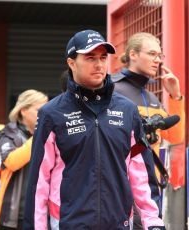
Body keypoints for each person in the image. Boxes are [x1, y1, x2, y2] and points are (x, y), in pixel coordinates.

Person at [23, 29, 165, 230]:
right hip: (68, 224)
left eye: (103, 57)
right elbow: (39, 180)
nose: (99, 64)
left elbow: (140, 170)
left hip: (118, 223)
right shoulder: (51, 113)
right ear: (71, 63)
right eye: (90, 58)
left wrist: (153, 221)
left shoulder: (127, 110)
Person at [112, 32, 185, 229]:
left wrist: (175, 96)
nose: (157, 60)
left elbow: (176, 137)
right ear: (133, 54)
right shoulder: (111, 88)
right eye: (152, 54)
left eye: (160, 56)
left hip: (149, 189)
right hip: (120, 186)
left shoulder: (151, 97)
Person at [0, 89, 48, 230]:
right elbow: (12, 161)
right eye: (38, 110)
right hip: (14, 214)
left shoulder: (48, 135)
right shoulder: (8, 134)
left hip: (41, 211)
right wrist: (38, 135)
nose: (44, 115)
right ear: (23, 111)